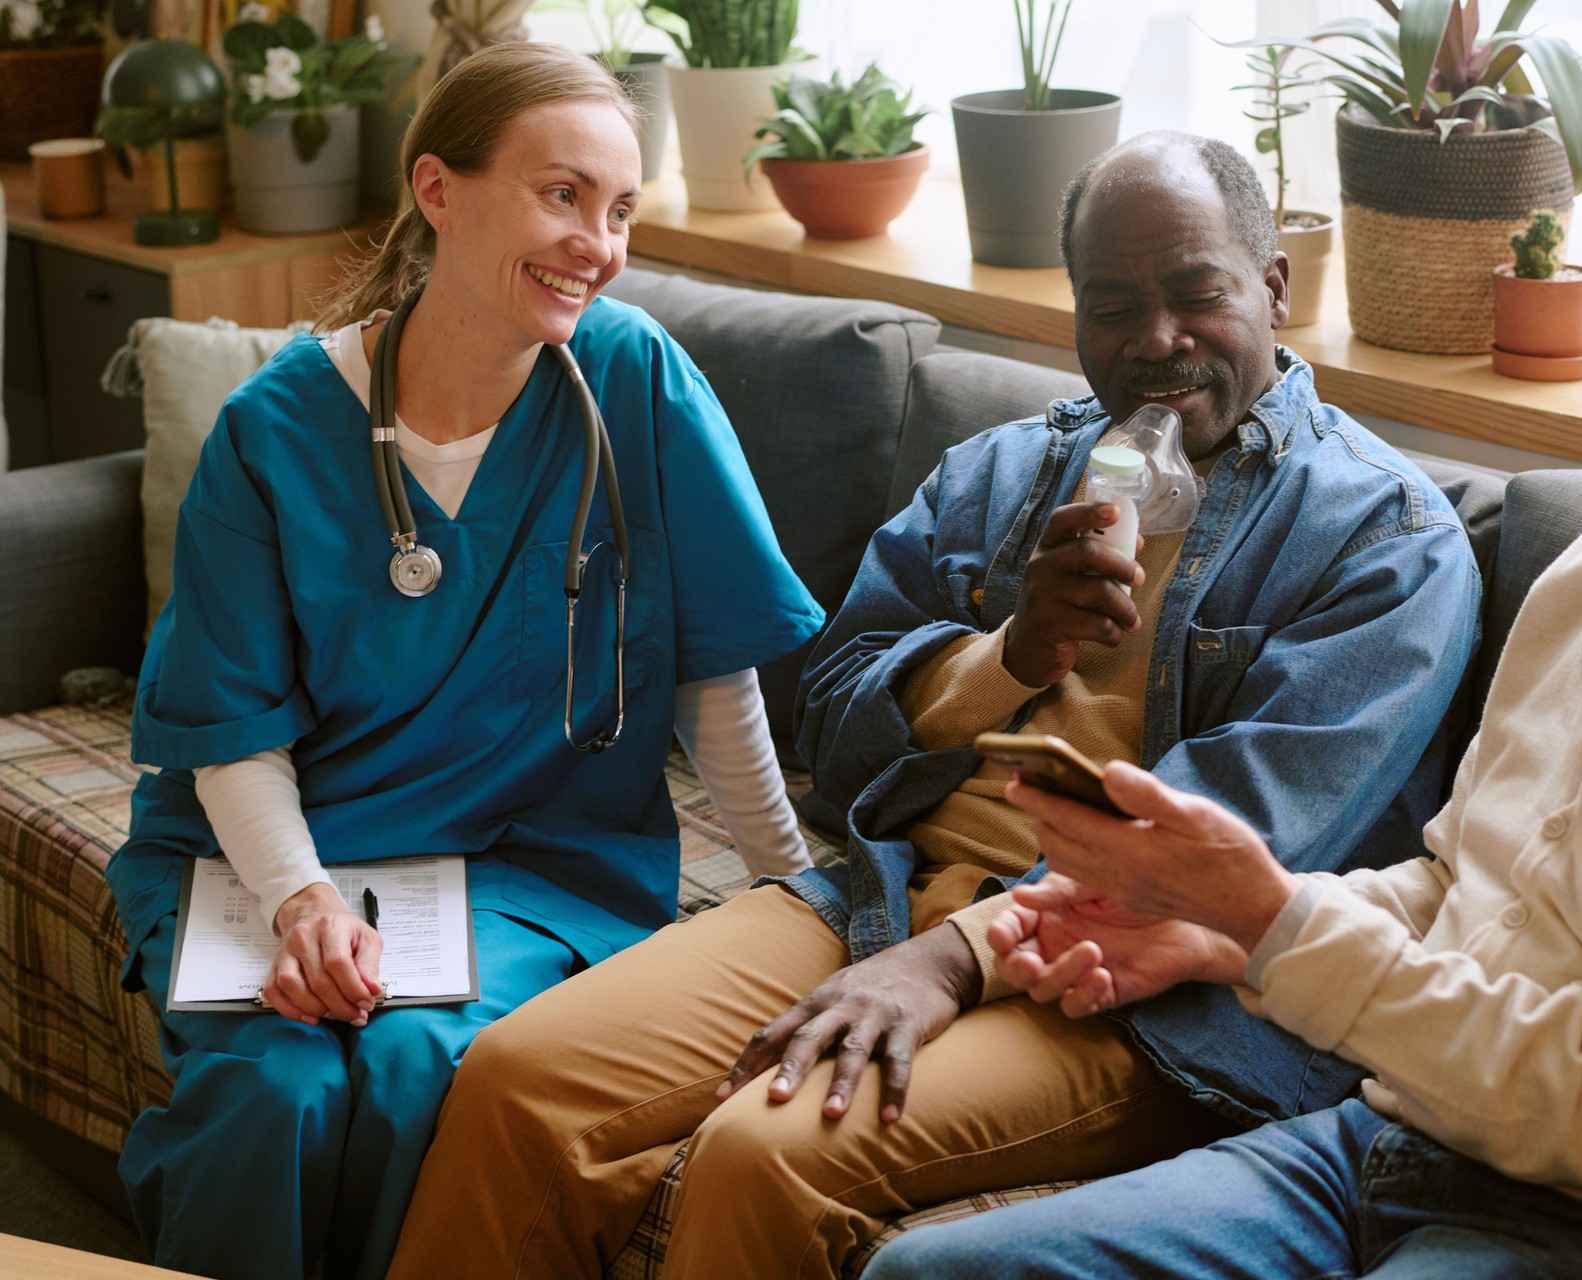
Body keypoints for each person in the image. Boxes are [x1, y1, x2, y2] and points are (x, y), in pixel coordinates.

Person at [388, 131, 1481, 1280]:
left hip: (1125, 992)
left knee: (767, 1150)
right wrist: (1009, 655)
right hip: (881, 888)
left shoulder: (1384, 543)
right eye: (1112, 306)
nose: (1157, 342)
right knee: (518, 1079)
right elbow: (828, 733)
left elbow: (1221, 854)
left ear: (1272, 287)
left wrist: (953, 958)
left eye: (1197, 294)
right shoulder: (1003, 475)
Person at [862, 141, 1582, 1280]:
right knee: (927, 1273)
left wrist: (1271, 917)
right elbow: (1457, 881)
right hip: (1396, 1129)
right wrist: (1224, 935)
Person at [103, 43, 823, 1280]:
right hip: (275, 854)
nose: (596, 242)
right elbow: (229, 731)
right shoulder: (270, 433)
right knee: (268, 1099)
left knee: (411, 1063)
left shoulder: (634, 378)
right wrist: (305, 900)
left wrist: (801, 904)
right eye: (562, 195)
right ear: (437, 189)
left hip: (535, 858)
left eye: (621, 210)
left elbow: (716, 675)